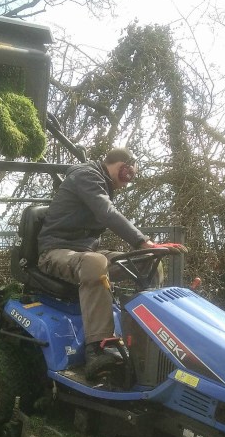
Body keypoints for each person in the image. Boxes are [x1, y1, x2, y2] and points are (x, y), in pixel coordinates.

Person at [37, 147, 187, 380]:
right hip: (55, 251)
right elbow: (107, 212)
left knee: (149, 261)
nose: (127, 183)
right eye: (129, 176)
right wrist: (143, 241)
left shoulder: (100, 183)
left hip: (85, 251)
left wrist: (148, 250)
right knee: (96, 263)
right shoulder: (87, 176)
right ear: (122, 167)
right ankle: (98, 348)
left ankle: (149, 337)